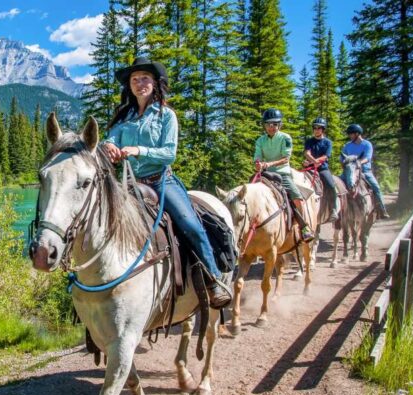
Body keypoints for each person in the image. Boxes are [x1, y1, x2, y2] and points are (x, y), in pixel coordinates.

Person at [101, 57, 231, 309]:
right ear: (129, 85)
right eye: (135, 79)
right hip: (130, 183)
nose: (140, 84)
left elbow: (169, 153)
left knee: (190, 224)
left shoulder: (166, 115)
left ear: (155, 83)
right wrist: (109, 147)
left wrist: (138, 149)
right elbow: (111, 139)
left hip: (161, 182)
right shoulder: (124, 116)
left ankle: (214, 278)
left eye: (145, 79)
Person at [253, 108, 315, 242]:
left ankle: (304, 227)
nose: (271, 127)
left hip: (282, 173)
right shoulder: (260, 140)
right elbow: (257, 157)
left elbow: (286, 158)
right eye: (268, 124)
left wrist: (268, 164)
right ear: (264, 125)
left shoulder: (285, 138)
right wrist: (257, 164)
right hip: (264, 174)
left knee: (296, 197)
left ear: (279, 125)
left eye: (274, 124)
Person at [340, 124, 390, 218]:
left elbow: (367, 157)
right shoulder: (347, 146)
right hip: (350, 171)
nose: (350, 136)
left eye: (351, 134)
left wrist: (359, 163)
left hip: (365, 171)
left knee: (376, 187)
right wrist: (344, 163)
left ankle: (382, 210)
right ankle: (337, 210)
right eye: (349, 134)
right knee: (337, 184)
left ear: (357, 134)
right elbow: (342, 158)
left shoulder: (367, 144)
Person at [304, 117, 339, 222]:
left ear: (323, 129)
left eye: (319, 128)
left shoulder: (328, 142)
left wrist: (313, 162)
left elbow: (325, 156)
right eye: (315, 127)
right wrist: (312, 162)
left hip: (322, 169)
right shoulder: (309, 141)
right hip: (309, 169)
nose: (316, 129)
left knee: (331, 185)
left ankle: (333, 209)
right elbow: (307, 153)